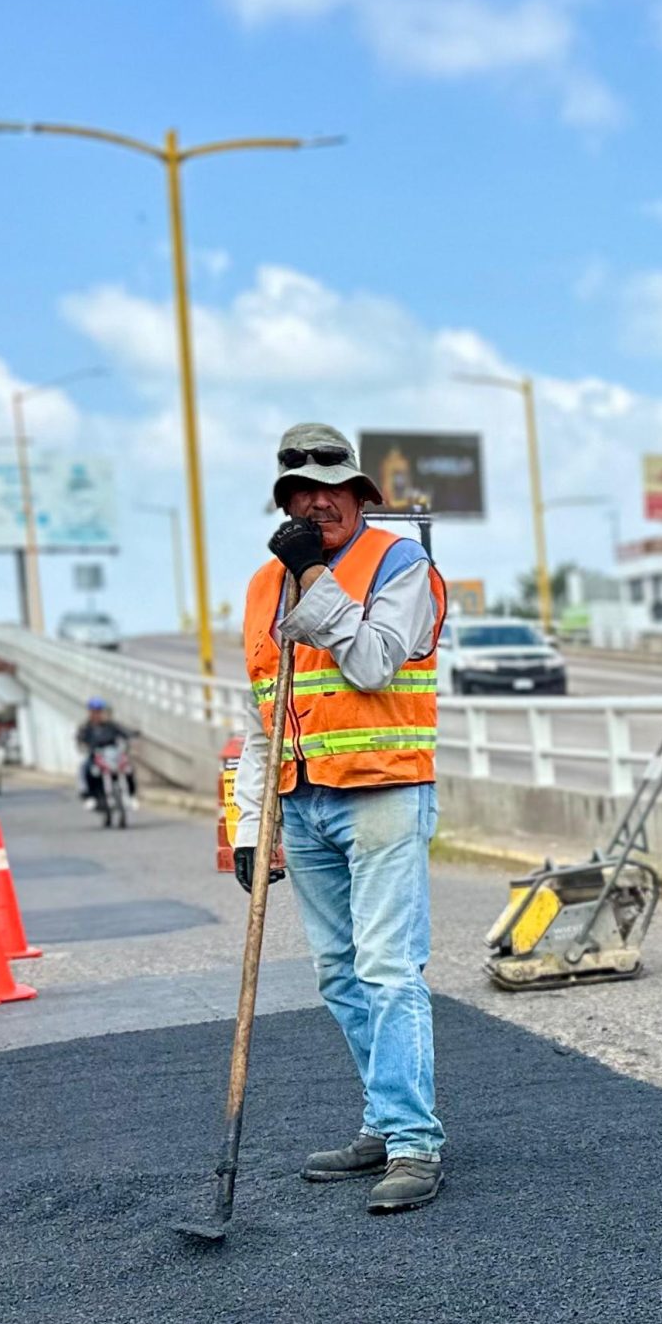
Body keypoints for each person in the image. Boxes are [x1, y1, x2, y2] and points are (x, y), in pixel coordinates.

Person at [234, 421, 450, 1214]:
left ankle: (416, 1143)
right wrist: (249, 827)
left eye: (333, 484)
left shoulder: (402, 564)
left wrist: (317, 577)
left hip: (384, 793)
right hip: (303, 800)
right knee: (340, 973)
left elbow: (369, 662)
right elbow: (263, 709)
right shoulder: (265, 585)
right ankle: (384, 1121)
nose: (317, 498)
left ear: (361, 492)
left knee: (391, 969)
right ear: (285, 497)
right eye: (301, 487)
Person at [76, 699, 136, 810]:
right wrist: (83, 745)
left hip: (112, 755)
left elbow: (125, 732)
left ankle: (131, 795)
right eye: (94, 712)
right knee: (85, 768)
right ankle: (89, 796)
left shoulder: (111, 725)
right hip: (95, 756)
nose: (96, 714)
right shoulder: (86, 727)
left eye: (99, 711)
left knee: (128, 769)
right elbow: (80, 739)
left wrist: (132, 735)